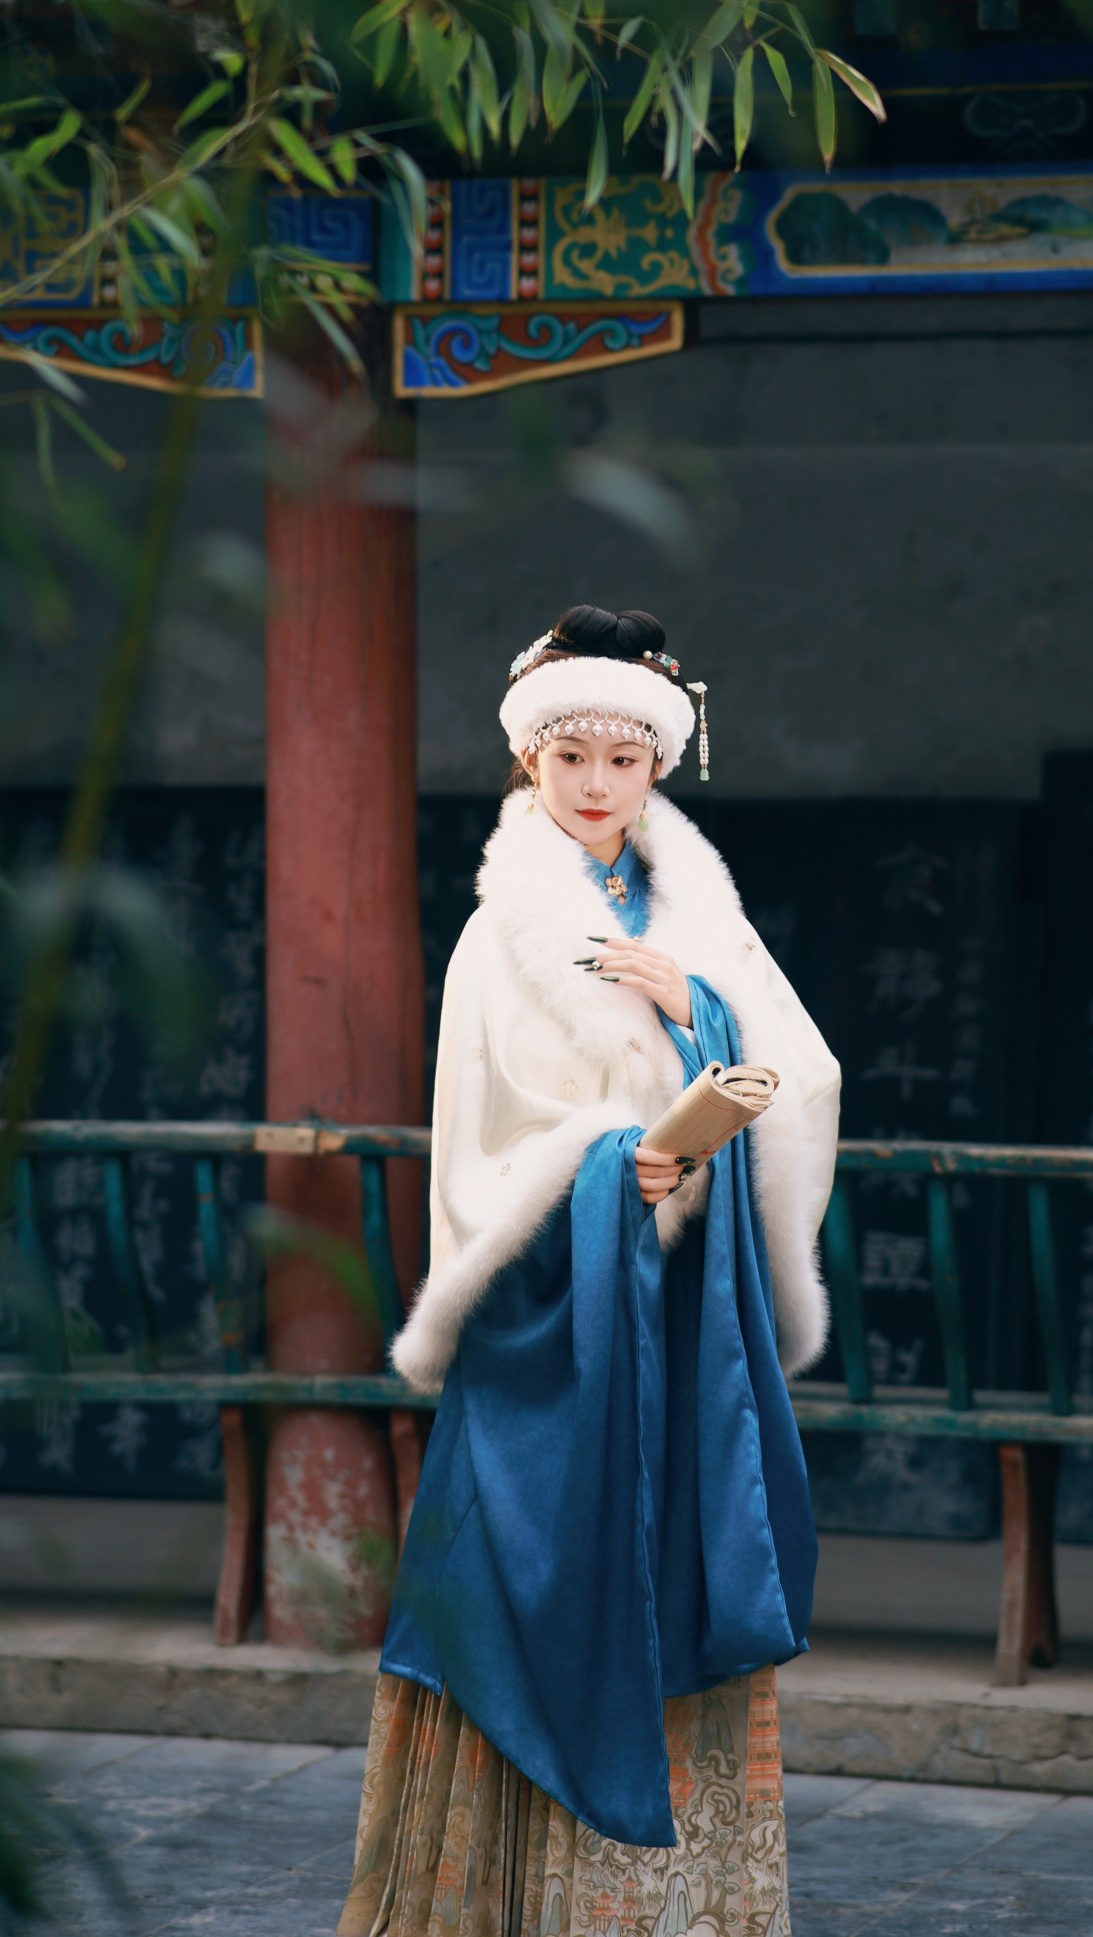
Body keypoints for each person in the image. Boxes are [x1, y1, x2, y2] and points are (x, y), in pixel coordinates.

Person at [339, 605, 841, 1937]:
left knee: (676, 1543)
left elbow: (797, 1073)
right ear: (530, 760)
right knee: (522, 1565)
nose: (598, 784)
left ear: (661, 764)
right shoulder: (504, 928)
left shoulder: (700, 917)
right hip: (556, 1299)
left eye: (625, 759)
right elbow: (488, 1134)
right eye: (572, 759)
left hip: (674, 1301)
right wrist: (618, 1167)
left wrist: (696, 1008)